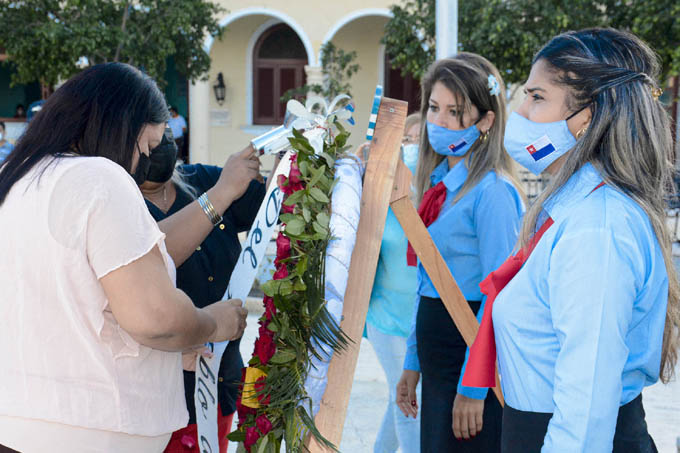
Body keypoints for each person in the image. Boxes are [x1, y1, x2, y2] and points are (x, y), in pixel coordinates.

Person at [0, 62, 247, 452]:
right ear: (118, 127)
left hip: (19, 423)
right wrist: (212, 323)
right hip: (90, 429)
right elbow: (156, 319)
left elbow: (87, 300)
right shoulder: (100, 177)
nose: (143, 163)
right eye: (145, 146)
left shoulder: (21, 179)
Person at [463, 28, 680, 453]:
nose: (520, 111)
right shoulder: (574, 210)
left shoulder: (596, 228)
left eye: (537, 97)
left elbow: (586, 407)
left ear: (585, 117)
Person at [395, 53, 525, 452]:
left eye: (455, 112)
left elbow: (499, 295)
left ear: (485, 121)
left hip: (468, 353)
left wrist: (475, 386)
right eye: (434, 108)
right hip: (437, 359)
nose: (438, 122)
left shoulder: (494, 192)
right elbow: (427, 282)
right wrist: (412, 364)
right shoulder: (438, 184)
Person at [138, 129, 265, 453]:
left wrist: (282, 165)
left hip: (218, 381)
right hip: (154, 398)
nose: (159, 144)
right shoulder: (119, 209)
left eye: (163, 130)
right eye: (149, 138)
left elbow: (265, 206)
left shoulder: (199, 180)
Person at [365, 113, 422, 453]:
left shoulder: (438, 196)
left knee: (397, 396)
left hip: (421, 316)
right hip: (385, 317)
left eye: (419, 141)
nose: (412, 148)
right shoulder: (380, 200)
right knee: (405, 396)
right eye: (407, 141)